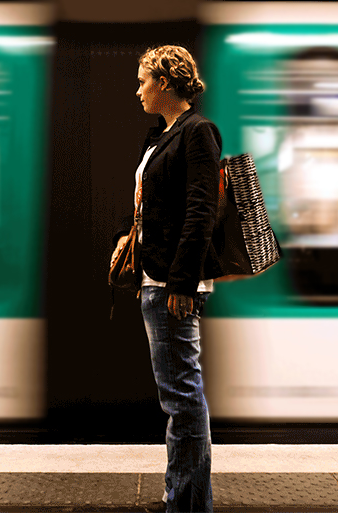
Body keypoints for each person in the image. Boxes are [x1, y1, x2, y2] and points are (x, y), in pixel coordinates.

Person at [111, 45, 222, 512]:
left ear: (167, 83)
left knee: (182, 397)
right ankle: (187, 496)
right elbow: (152, 204)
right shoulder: (159, 137)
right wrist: (126, 235)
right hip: (154, 276)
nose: (138, 90)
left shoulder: (197, 133)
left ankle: (187, 505)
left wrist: (181, 282)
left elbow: (201, 211)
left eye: (144, 81)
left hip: (172, 285)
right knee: (178, 396)